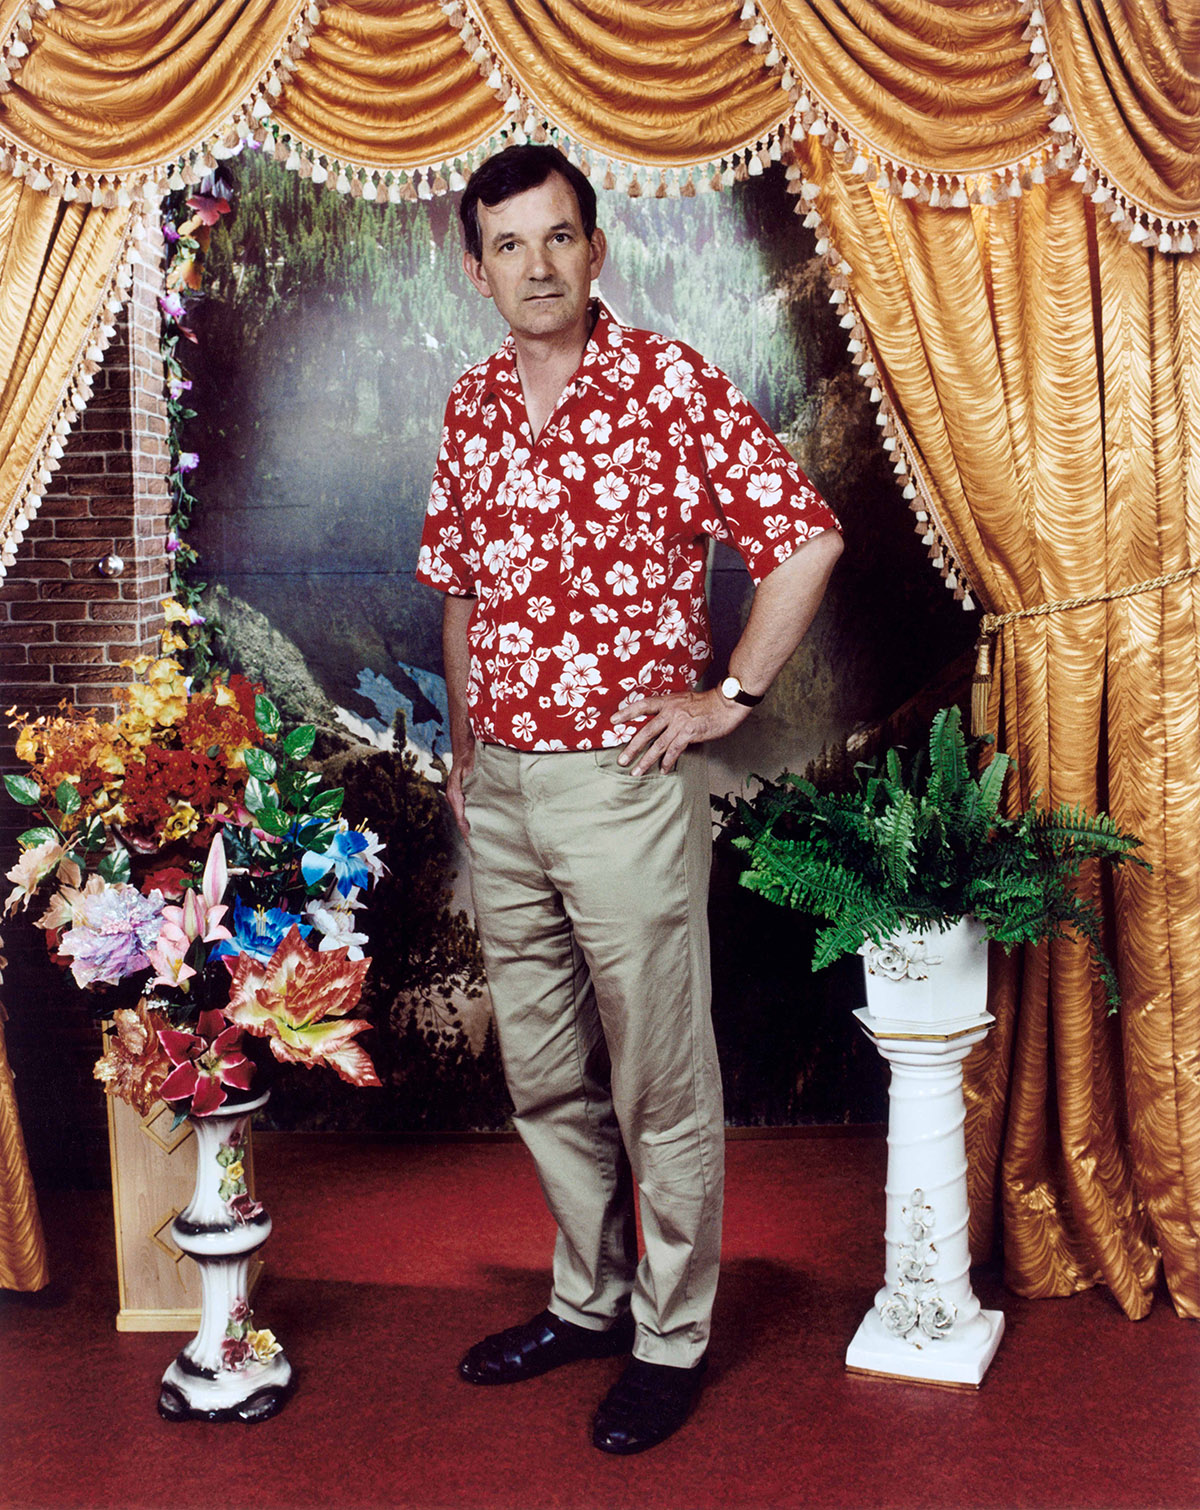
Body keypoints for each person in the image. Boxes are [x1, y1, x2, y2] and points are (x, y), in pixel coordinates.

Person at [416, 143, 842, 1455]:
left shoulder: (669, 383)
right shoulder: (472, 406)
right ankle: (588, 1300)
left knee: (658, 1077)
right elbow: (463, 590)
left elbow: (805, 537)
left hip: (625, 784)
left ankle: (670, 1336)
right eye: (509, 245)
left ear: (596, 249)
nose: (537, 265)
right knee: (545, 1073)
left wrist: (730, 694)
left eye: (559, 237)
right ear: (478, 270)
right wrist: (466, 747)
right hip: (504, 791)